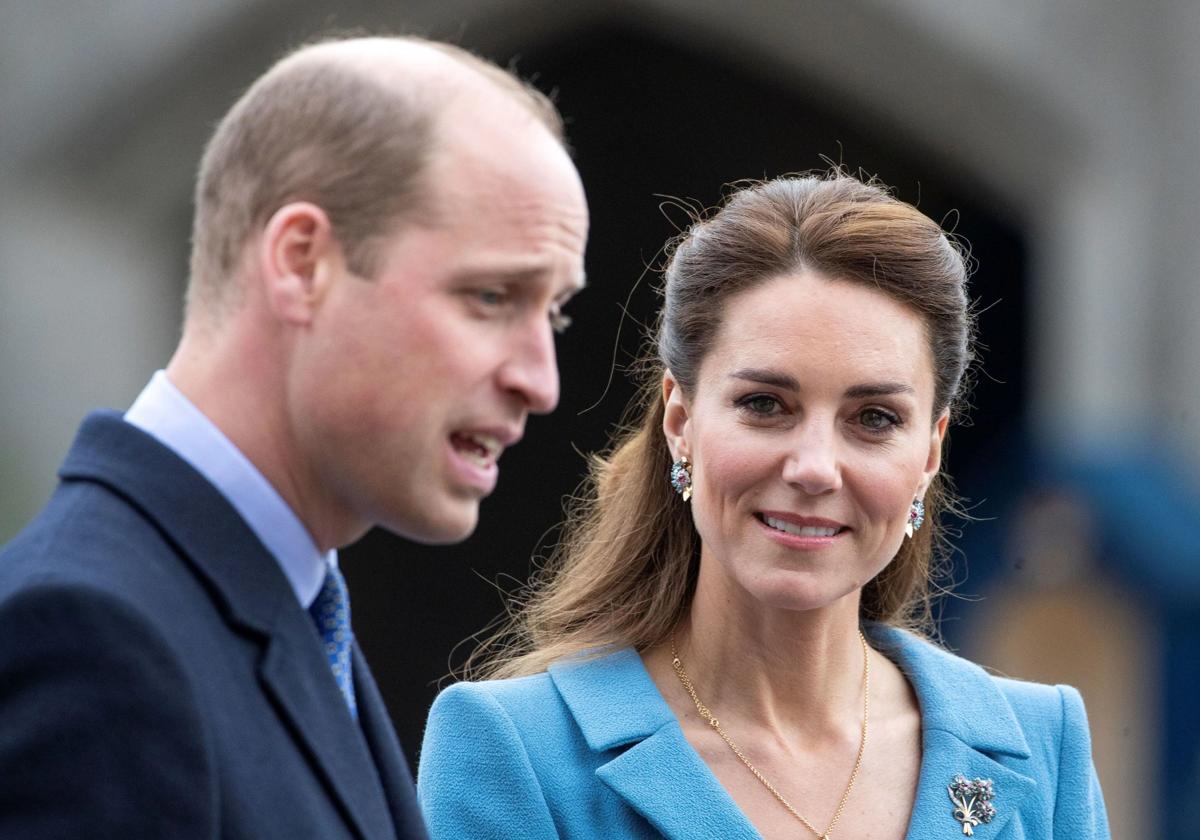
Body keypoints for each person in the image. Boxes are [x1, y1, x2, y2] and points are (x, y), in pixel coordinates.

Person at [0, 34, 587, 839]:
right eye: (491, 296)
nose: (540, 379)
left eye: (553, 311)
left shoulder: (289, 606)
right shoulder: (92, 634)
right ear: (302, 262)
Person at [417, 173, 1109, 838]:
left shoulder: (1039, 746)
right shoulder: (519, 752)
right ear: (680, 423)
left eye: (873, 418)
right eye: (765, 405)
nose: (813, 468)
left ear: (928, 454)